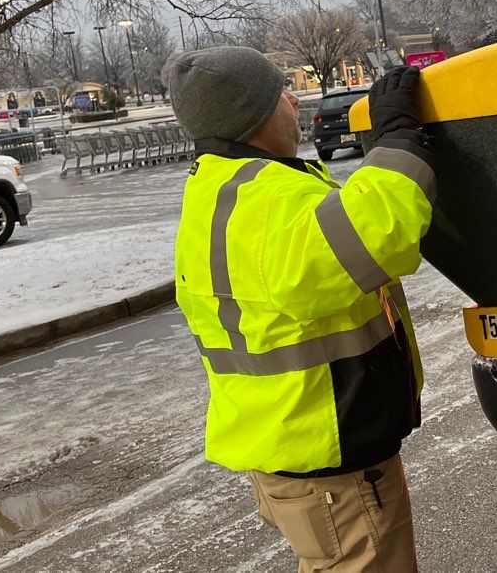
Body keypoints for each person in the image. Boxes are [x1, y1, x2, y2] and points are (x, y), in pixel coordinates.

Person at [163, 46, 434, 572]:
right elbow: (375, 236)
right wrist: (398, 138)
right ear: (253, 115)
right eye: (279, 92)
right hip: (333, 465)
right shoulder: (267, 200)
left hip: (291, 449)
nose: (293, 99)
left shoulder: (220, 188)